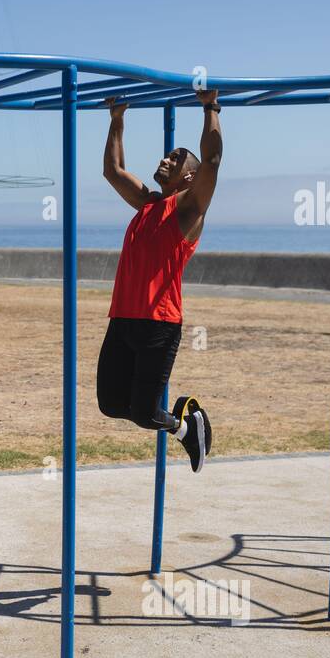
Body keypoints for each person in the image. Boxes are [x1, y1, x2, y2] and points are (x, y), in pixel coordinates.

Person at [96, 89, 222, 471]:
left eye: (175, 157)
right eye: (166, 154)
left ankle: (188, 426)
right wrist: (117, 118)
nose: (165, 159)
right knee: (110, 404)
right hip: (121, 320)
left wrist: (210, 107)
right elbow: (113, 171)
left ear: (189, 175)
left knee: (145, 413)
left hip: (158, 324)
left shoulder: (189, 209)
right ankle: (185, 425)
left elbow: (213, 160)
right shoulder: (149, 203)